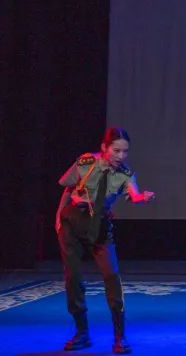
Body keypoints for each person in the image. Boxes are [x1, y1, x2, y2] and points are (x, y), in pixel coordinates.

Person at [55, 127, 155, 354]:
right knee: (73, 278)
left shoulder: (125, 173)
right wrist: (58, 217)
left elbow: (134, 195)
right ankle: (81, 333)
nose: (121, 156)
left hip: (99, 225)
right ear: (104, 148)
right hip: (73, 223)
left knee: (111, 276)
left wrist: (142, 198)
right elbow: (68, 189)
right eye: (116, 150)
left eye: (125, 151)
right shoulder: (86, 162)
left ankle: (120, 337)